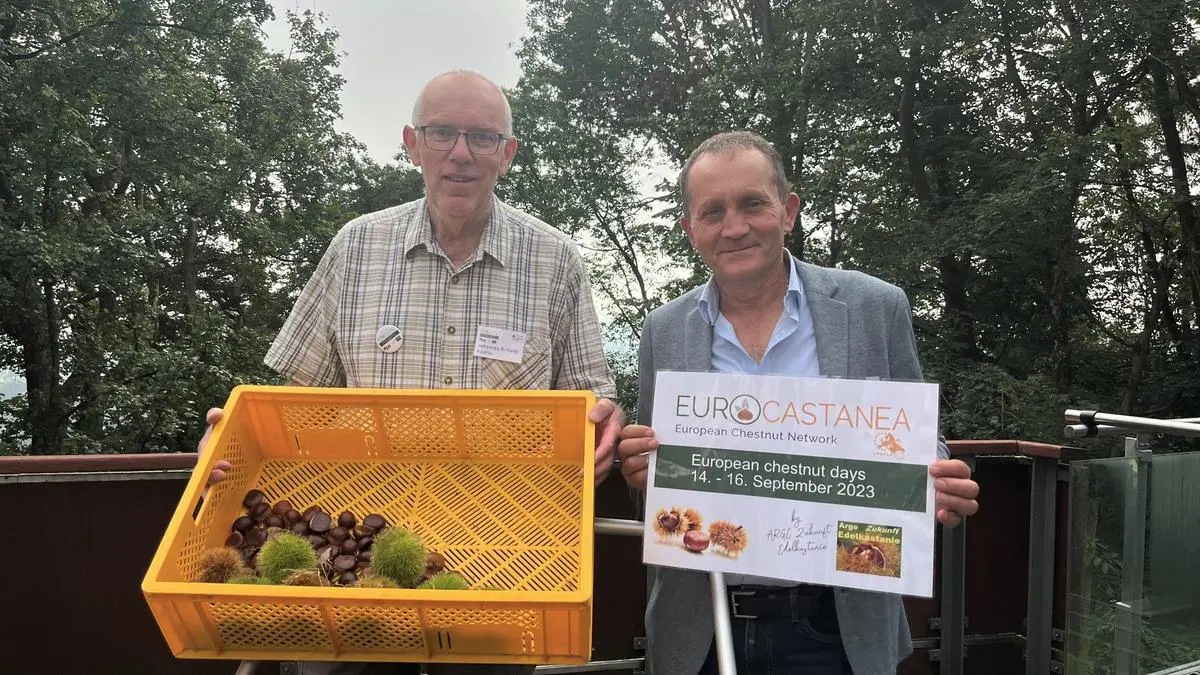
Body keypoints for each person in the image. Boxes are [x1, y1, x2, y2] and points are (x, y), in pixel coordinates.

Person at [199, 69, 625, 675]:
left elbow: (593, 397)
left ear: (507, 154)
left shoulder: (555, 259)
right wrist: (232, 437)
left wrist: (605, 422)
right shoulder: (355, 248)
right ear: (411, 143)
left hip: (497, 549)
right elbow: (293, 401)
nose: (460, 153)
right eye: (442, 132)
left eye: (482, 137)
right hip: (353, 550)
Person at [616, 130, 980, 675]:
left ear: (788, 211)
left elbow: (918, 438)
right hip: (704, 626)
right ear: (690, 231)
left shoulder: (875, 306)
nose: (734, 227)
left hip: (839, 623)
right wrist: (639, 470)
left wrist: (940, 480)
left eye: (752, 204)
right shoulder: (662, 331)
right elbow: (659, 485)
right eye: (712, 212)